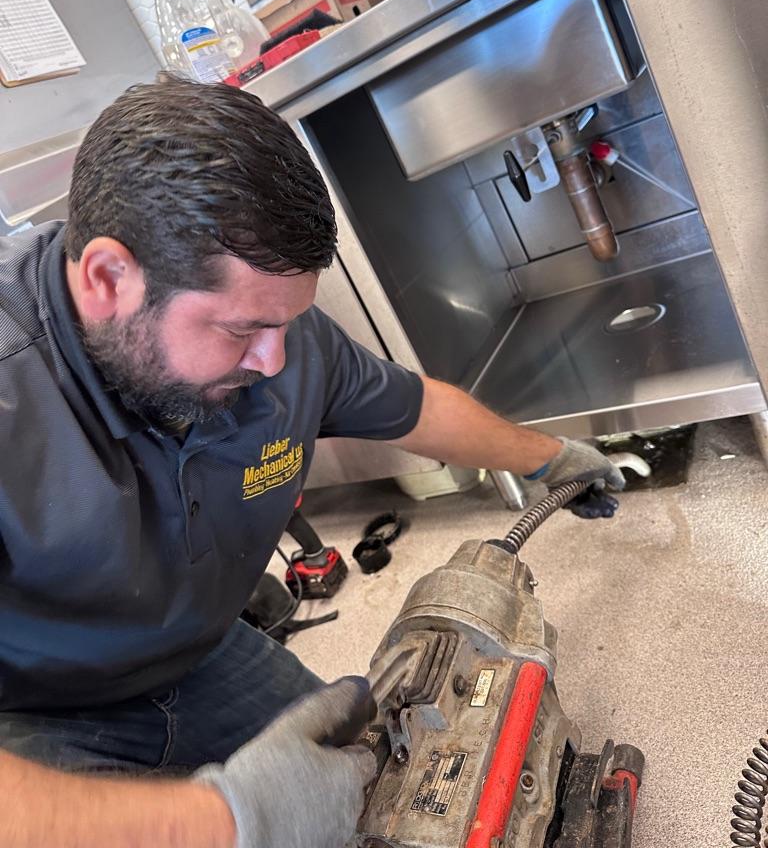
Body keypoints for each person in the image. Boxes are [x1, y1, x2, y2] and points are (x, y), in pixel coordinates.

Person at [0, 77, 624, 847]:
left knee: (381, 802)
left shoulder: (285, 346)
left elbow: (419, 409)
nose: (275, 361)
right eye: (241, 330)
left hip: (197, 655)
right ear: (108, 279)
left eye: (288, 324)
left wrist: (550, 459)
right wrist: (224, 820)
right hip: (31, 718)